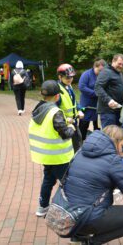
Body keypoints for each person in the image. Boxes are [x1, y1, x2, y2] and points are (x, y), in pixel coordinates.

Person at [29, 80, 75, 217]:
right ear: (57, 96)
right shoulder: (55, 112)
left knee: (48, 180)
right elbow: (65, 133)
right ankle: (72, 209)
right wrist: (71, 127)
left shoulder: (38, 110)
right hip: (59, 157)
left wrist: (66, 122)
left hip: (45, 155)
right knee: (68, 182)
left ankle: (42, 207)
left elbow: (50, 127)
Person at [56, 63, 84, 152]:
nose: (70, 79)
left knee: (78, 141)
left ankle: (77, 161)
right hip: (65, 124)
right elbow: (55, 109)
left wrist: (79, 110)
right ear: (60, 77)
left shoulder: (69, 86)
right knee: (69, 146)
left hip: (74, 121)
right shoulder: (58, 90)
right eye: (67, 77)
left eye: (71, 77)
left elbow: (74, 101)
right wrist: (65, 119)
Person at [94, 54, 123, 128]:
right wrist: (109, 100)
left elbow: (116, 87)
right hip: (107, 112)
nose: (121, 66)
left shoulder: (119, 73)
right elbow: (97, 87)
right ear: (113, 61)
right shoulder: (106, 72)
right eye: (119, 64)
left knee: (115, 135)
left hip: (117, 110)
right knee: (109, 135)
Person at [78, 58, 106, 140]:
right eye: (99, 70)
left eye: (102, 70)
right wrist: (95, 93)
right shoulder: (86, 74)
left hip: (97, 104)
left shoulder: (102, 75)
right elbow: (82, 87)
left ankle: (96, 141)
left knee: (96, 124)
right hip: (86, 104)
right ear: (94, 67)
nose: (101, 72)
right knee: (84, 123)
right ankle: (81, 140)